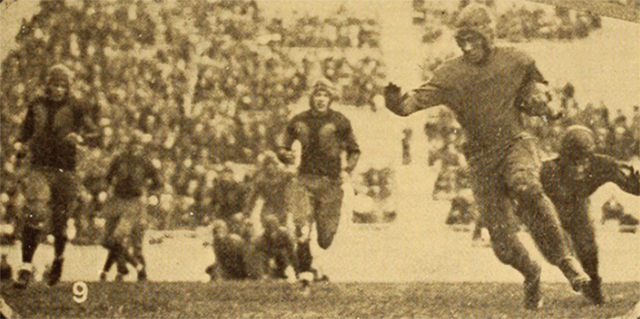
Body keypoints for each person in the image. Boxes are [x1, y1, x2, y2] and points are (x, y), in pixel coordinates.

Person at [383, 4, 589, 309]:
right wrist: (393, 101)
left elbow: (541, 92)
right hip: (481, 158)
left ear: (488, 35)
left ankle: (566, 261)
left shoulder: (516, 59)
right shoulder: (450, 73)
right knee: (503, 247)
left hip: (515, 143)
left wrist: (548, 106)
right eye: (462, 40)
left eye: (473, 39)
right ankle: (531, 274)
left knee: (526, 185)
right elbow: (410, 104)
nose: (468, 47)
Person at [13, 64, 97, 289]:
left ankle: (58, 260)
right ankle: (25, 267)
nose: (58, 89)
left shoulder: (77, 106)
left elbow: (94, 133)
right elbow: (25, 129)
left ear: (68, 87)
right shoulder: (37, 104)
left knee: (60, 222)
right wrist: (20, 143)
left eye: (62, 85)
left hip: (66, 169)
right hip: (40, 166)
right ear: (47, 84)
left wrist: (79, 138)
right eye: (54, 84)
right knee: (35, 210)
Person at [537, 125, 640, 305]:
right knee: (559, 252)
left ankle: (593, 289)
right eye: (574, 160)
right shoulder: (548, 170)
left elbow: (629, 184)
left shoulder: (602, 164)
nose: (579, 167)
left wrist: (635, 185)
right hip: (553, 211)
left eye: (584, 159)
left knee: (588, 247)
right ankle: (579, 279)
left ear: (590, 156)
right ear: (564, 157)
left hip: (578, 207)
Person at [277, 78, 360, 291]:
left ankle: (310, 267)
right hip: (305, 180)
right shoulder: (299, 120)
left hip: (331, 184)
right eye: (317, 95)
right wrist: (285, 155)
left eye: (325, 95)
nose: (321, 99)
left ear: (330, 98)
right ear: (311, 98)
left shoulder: (340, 121)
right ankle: (305, 276)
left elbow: (354, 149)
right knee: (302, 228)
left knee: (325, 238)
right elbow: (282, 144)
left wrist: (346, 169)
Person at [99, 133, 161, 282]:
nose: (135, 148)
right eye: (133, 144)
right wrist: (106, 190)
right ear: (129, 145)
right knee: (107, 240)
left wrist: (150, 193)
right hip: (117, 199)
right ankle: (125, 268)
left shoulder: (144, 162)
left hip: (134, 202)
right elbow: (108, 177)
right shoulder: (119, 159)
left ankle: (134, 270)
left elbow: (157, 181)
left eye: (138, 145)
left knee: (121, 237)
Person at [244, 151, 294, 227]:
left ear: (276, 165)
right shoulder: (261, 180)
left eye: (272, 164)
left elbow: (293, 192)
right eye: (267, 164)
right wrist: (247, 214)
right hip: (268, 207)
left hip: (282, 207)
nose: (270, 167)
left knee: (282, 229)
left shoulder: (284, 176)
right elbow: (252, 197)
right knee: (268, 225)